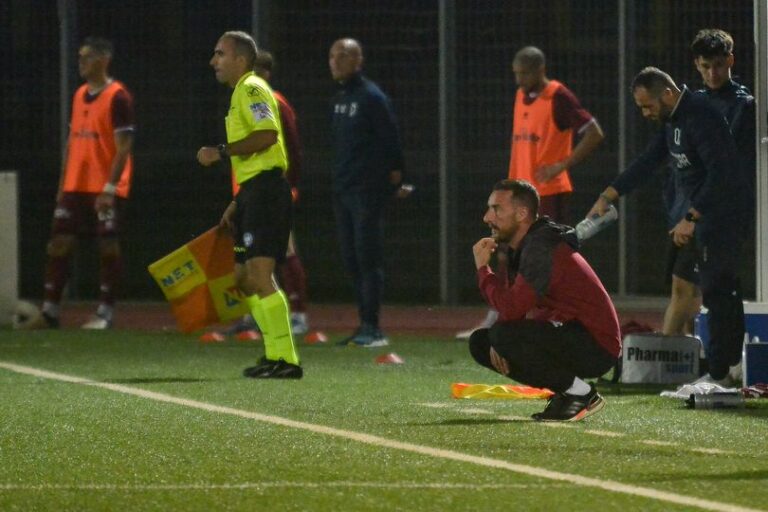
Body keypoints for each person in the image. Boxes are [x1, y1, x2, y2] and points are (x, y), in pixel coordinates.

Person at [588, 67, 747, 386]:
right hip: (691, 220)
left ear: (669, 94)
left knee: (717, 293)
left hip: (715, 220)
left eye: (648, 105)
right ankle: (714, 366)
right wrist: (610, 193)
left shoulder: (701, 116)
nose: (645, 113)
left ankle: (720, 373)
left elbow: (721, 173)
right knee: (699, 290)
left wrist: (692, 217)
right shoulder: (673, 119)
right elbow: (649, 160)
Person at [457, 46, 605, 339]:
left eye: (524, 73)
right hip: (519, 194)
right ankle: (504, 314)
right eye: (516, 74)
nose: (519, 80)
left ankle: (543, 320)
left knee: (543, 260)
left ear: (540, 69)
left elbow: (594, 132)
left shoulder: (558, 96)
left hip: (546, 194)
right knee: (506, 253)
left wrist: (562, 164)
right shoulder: (521, 96)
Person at [469, 179, 620, 422]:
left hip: (596, 344)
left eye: (496, 209)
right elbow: (512, 308)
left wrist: (483, 270)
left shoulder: (539, 247)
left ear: (521, 214)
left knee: (500, 337)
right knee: (481, 343)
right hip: (571, 333)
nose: (487, 217)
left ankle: (581, 394)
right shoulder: (527, 245)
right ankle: (568, 390)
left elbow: (511, 307)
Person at [197, 31, 301, 379]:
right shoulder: (239, 93)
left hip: (267, 192)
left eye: (219, 54)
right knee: (243, 278)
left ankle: (286, 359)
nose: (214, 61)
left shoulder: (252, 87)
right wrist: (237, 201)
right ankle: (274, 355)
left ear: (240, 59)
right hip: (252, 192)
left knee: (259, 275)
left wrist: (221, 152)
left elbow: (267, 135)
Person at [30, 37, 135, 330]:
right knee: (59, 243)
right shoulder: (79, 94)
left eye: (87, 57)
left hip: (104, 187)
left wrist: (110, 188)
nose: (81, 63)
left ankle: (106, 312)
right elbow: (72, 141)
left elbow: (124, 146)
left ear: (104, 59)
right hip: (76, 185)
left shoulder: (118, 96)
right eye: (80, 57)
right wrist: (63, 184)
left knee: (108, 245)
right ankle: (50, 310)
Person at [661, 29, 755, 337]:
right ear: (696, 65)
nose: (712, 73)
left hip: (718, 214)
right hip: (691, 211)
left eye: (717, 65)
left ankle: (677, 361)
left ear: (730, 60)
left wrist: (694, 213)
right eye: (705, 66)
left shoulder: (744, 106)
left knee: (699, 289)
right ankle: (688, 359)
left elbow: (726, 170)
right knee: (689, 287)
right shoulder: (693, 103)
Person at [328, 38, 410, 347]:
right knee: (351, 258)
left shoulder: (371, 97)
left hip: (366, 191)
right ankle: (363, 323)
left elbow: (391, 139)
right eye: (332, 55)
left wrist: (398, 178)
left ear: (358, 60)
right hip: (343, 189)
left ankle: (373, 327)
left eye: (343, 55)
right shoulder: (338, 99)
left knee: (367, 257)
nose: (335, 61)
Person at [224, 50, 311, 337]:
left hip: (272, 191)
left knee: (284, 250)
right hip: (248, 192)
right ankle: (254, 315)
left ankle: (298, 315)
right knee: (250, 257)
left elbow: (293, 148)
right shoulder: (243, 101)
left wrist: (291, 185)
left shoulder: (274, 102)